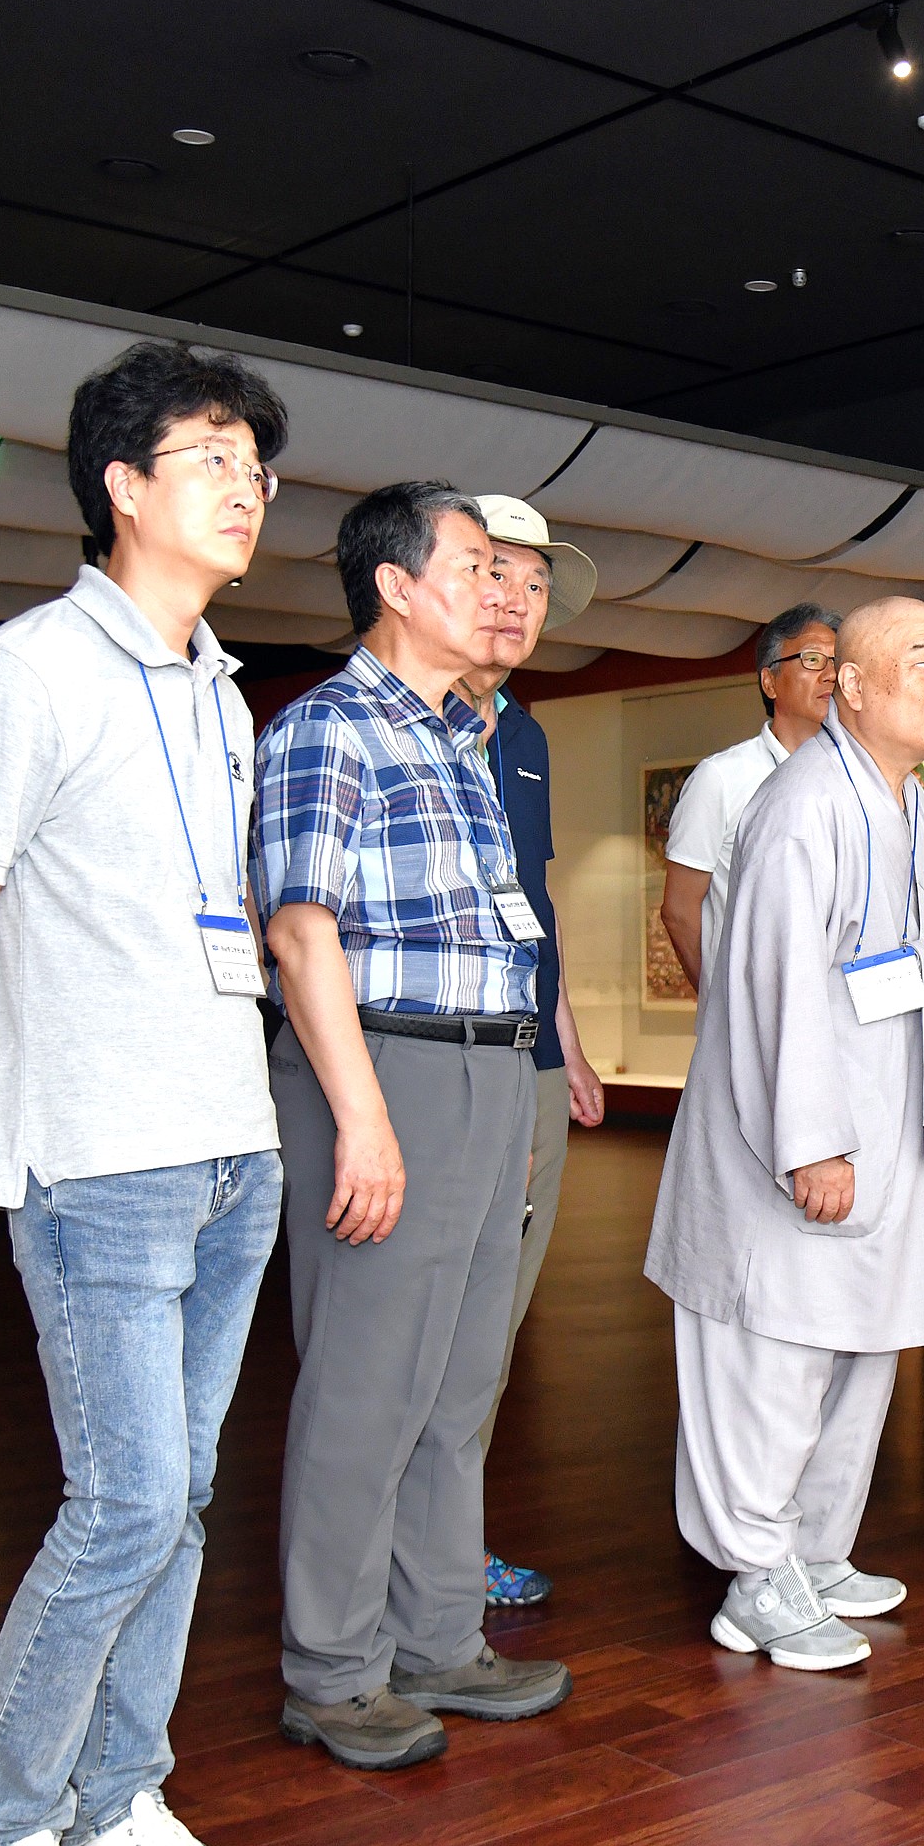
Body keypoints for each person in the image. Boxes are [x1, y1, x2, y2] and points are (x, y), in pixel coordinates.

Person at [0, 339, 284, 1846]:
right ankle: (3, 1837)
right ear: (121, 484)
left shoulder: (222, 693)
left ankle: (120, 1803)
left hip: (234, 1151)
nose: (246, 487)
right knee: (123, 1504)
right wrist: (39, 1130)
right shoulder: (25, 676)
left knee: (179, 1503)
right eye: (212, 457)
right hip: (104, 1166)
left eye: (257, 465)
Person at [254, 482, 570, 1775]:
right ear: (394, 586)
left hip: (488, 1068)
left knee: (458, 1381)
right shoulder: (328, 728)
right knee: (366, 1383)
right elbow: (300, 931)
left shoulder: (457, 738)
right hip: (386, 1067)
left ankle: (438, 1638)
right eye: (475, 565)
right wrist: (362, 1119)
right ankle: (333, 1671)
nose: (500, 589)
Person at [645, 596, 924, 1668]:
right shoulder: (804, 805)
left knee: (860, 1348)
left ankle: (814, 1548)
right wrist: (811, 1142)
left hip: (885, 1134)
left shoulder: (900, 800)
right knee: (776, 1358)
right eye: (919, 661)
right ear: (848, 684)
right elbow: (778, 985)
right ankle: (755, 1575)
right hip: (803, 1144)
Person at [458, 491, 606, 1611]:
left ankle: (451, 1547)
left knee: (494, 1323)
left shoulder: (526, 733)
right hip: (435, 1061)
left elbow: (532, 902)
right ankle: (406, 1567)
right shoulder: (382, 724)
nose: (515, 600)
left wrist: (570, 1042)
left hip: (531, 1059)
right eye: (492, 573)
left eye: (535, 584)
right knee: (425, 1326)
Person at [660, 602, 842, 996]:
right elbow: (679, 911)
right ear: (770, 682)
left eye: (837, 662)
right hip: (750, 1010)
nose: (830, 674)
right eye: (813, 660)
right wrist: (722, 1006)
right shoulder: (721, 778)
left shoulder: (852, 779)